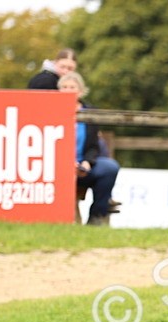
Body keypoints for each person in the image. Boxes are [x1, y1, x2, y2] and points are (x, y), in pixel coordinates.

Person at [58, 72, 119, 226]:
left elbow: (93, 145)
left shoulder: (90, 112)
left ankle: (96, 216)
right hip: (57, 166)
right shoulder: (50, 111)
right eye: (64, 87)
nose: (68, 90)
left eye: (72, 87)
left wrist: (87, 162)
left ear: (80, 90)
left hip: (82, 165)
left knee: (109, 168)